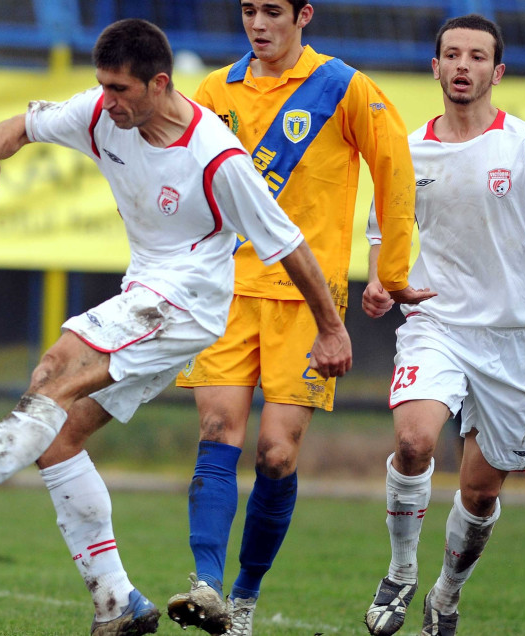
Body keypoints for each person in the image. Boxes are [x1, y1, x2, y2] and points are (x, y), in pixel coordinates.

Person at [0, 18, 352, 636]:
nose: (107, 101)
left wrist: (331, 331)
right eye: (103, 86)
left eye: (120, 89)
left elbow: (289, 247)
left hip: (184, 303)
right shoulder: (101, 113)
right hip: (146, 294)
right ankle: (117, 602)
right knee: (58, 437)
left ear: (160, 83)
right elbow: (19, 124)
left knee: (51, 375)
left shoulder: (216, 157)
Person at [168, 2, 433, 633]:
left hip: (307, 303)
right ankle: (205, 585)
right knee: (216, 429)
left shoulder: (342, 87)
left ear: (303, 15)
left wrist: (389, 270)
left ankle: (244, 597)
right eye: (248, 11)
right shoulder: (214, 90)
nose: (258, 25)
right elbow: (179, 173)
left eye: (272, 12)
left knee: (277, 454)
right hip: (226, 290)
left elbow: (394, 164)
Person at [362, 14, 525, 636]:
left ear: (496, 71)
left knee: (478, 493)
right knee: (415, 441)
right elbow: (384, 233)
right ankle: (399, 571)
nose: (463, 66)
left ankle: (445, 596)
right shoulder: (409, 150)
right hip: (437, 323)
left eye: (477, 56)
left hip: (515, 337)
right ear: (436, 67)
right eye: (452, 55)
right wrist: (377, 278)